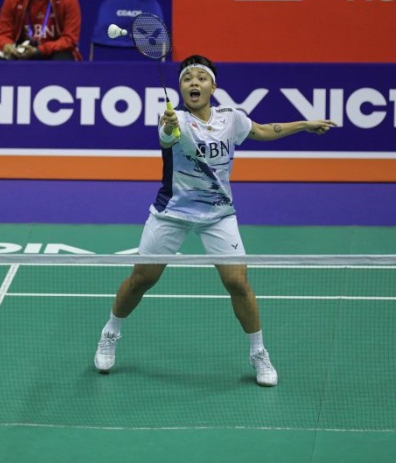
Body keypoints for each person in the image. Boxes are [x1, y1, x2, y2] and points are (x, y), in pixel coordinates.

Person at [94, 54, 337, 387]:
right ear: (180, 88)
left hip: (218, 215)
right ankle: (110, 333)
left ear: (213, 86)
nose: (193, 82)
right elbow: (166, 137)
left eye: (201, 78)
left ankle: (258, 353)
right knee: (141, 279)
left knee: (238, 283)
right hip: (172, 213)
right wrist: (168, 125)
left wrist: (305, 125)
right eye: (187, 78)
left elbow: (264, 130)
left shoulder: (230, 118)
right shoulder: (174, 119)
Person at [0, 0, 82, 61]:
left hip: (54, 50)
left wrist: (40, 50)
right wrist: (7, 45)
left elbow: (70, 39)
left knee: (61, 60)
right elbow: (3, 34)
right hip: (23, 50)